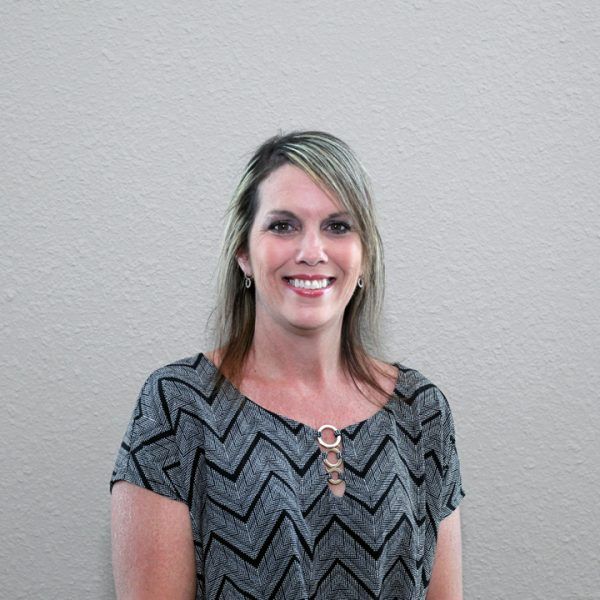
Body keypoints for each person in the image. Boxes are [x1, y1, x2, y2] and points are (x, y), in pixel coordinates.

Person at [110, 131, 466, 599]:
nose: (311, 251)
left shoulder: (420, 411)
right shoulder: (178, 407)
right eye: (283, 225)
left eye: (338, 226)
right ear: (244, 254)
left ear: (364, 256)